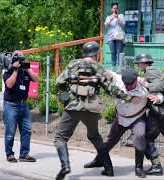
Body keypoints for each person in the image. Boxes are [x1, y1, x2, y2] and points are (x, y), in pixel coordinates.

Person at [53, 41, 130, 180]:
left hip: (73, 105)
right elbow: (110, 88)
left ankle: (65, 166)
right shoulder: (99, 67)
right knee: (95, 136)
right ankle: (109, 169)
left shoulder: (73, 64)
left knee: (60, 138)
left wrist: (66, 95)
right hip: (92, 106)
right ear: (96, 54)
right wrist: (126, 96)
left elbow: (58, 82)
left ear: (84, 53)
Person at [84, 69, 164, 178]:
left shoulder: (144, 86)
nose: (128, 87)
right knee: (111, 140)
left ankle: (138, 167)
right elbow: (108, 73)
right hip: (120, 118)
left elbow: (159, 95)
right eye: (126, 85)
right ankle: (99, 160)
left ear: (136, 80)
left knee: (140, 138)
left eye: (130, 85)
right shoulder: (118, 80)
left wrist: (157, 99)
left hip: (137, 118)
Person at [3, 51, 39, 163]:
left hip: (24, 105)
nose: (20, 61)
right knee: (10, 132)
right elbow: (9, 84)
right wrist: (15, 70)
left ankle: (24, 154)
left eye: (22, 58)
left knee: (27, 130)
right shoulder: (8, 71)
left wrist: (27, 68)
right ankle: (9, 154)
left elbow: (36, 79)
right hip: (11, 105)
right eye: (18, 58)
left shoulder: (26, 71)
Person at [105, 2, 126, 70]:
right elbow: (106, 25)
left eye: (116, 8)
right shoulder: (109, 17)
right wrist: (112, 18)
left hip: (119, 37)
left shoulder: (121, 16)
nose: (115, 9)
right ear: (111, 9)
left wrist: (118, 18)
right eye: (114, 8)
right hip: (111, 37)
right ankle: (113, 67)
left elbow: (123, 24)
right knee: (113, 52)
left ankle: (120, 68)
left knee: (119, 52)